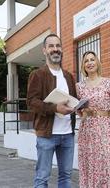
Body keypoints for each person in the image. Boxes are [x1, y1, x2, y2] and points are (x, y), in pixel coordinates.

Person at [27, 33, 76, 188]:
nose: (55, 49)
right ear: (44, 50)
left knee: (66, 177)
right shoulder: (37, 74)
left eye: (58, 46)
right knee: (42, 177)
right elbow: (32, 102)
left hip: (67, 134)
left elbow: (72, 99)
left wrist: (77, 106)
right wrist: (55, 108)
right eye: (51, 46)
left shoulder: (68, 76)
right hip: (47, 135)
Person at [76, 51, 110, 188]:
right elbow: (78, 109)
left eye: (92, 59)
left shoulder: (108, 83)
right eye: (86, 61)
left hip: (104, 127)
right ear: (83, 66)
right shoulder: (79, 86)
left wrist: (104, 117)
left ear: (97, 62)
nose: (90, 63)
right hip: (87, 129)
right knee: (90, 161)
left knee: (108, 161)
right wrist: (86, 114)